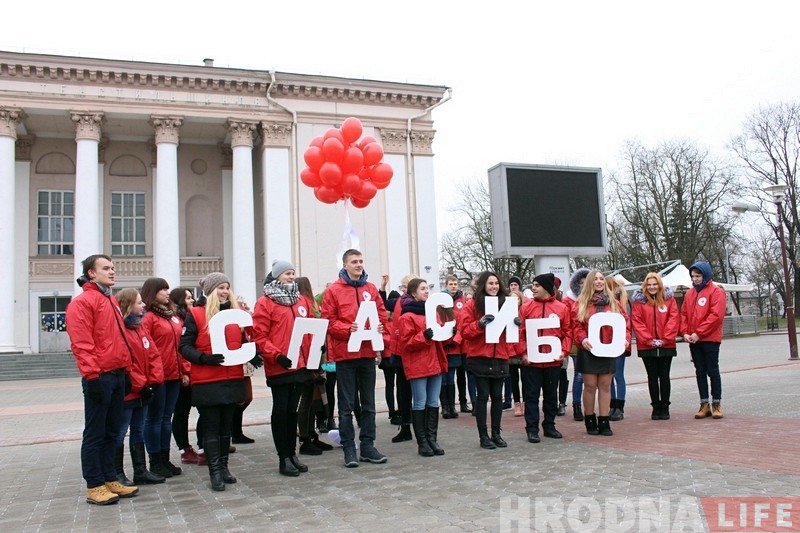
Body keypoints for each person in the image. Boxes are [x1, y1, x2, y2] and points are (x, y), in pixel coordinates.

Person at [179, 272, 263, 491]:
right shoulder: (196, 314)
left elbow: (241, 342)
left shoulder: (234, 315)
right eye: (220, 287)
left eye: (227, 287)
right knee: (211, 427)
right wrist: (203, 358)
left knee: (226, 428)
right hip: (208, 380)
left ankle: (224, 467)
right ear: (210, 291)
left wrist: (251, 354)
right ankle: (214, 470)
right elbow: (184, 346)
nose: (225, 291)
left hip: (232, 378)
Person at [66, 254, 139, 505]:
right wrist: (92, 377)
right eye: (106, 268)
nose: (112, 271)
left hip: (117, 374)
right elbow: (82, 343)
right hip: (100, 376)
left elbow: (120, 340)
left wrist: (127, 371)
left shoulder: (109, 300)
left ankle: (109, 478)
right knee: (95, 432)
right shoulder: (82, 302)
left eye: (113, 267)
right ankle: (94, 484)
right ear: (91, 273)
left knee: (112, 431)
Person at [321, 249, 389, 467]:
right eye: (354, 261)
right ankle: (349, 448)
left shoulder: (371, 289)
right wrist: (348, 329)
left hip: (367, 353)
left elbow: (382, 316)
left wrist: (380, 328)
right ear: (345, 265)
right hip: (346, 355)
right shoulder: (334, 290)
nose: (359, 264)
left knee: (369, 404)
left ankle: (368, 446)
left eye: (360, 261)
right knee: (346, 406)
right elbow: (328, 322)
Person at [252, 261, 314, 476]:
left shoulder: (301, 300)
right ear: (277, 276)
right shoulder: (265, 302)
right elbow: (259, 335)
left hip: (300, 365)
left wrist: (315, 349)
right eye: (287, 273)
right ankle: (283, 457)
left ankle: (292, 454)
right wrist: (276, 355)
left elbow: (310, 328)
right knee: (281, 410)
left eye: (293, 273)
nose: (291, 276)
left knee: (292, 411)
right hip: (280, 365)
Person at [115, 288, 165, 486]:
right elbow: (126, 361)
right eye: (139, 302)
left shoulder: (140, 327)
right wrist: (141, 384)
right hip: (129, 391)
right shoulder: (120, 329)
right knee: (120, 432)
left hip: (144, 389)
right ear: (128, 305)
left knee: (138, 430)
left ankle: (140, 471)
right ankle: (117, 473)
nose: (143, 305)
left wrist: (153, 381)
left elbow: (153, 354)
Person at [460, 271, 515, 449]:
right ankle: (483, 436)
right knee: (483, 396)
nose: (494, 286)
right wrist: (479, 324)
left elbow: (512, 331)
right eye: (490, 283)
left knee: (498, 397)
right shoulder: (472, 305)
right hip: (480, 356)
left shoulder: (506, 304)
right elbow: (464, 331)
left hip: (499, 355)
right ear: (484, 285)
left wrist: (516, 323)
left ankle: (496, 434)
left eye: (496, 283)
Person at [572, 270, 630, 437]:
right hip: (589, 349)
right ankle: (590, 419)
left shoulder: (614, 303)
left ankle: (604, 421)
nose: (599, 281)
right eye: (595, 279)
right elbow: (575, 325)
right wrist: (582, 338)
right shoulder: (581, 303)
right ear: (590, 282)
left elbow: (625, 323)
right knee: (590, 386)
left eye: (601, 279)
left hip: (608, 349)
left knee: (605, 385)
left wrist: (625, 339)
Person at [141, 277, 187, 479]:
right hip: (157, 376)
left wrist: (184, 370)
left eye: (168, 289)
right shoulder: (148, 317)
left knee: (166, 419)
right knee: (154, 419)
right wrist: (151, 374)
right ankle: (155, 460)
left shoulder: (172, 316)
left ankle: (165, 458)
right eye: (163, 289)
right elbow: (145, 349)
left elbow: (180, 346)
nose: (167, 293)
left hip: (174, 374)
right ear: (152, 292)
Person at [518, 273, 571, 443]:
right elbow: (520, 333)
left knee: (551, 396)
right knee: (531, 396)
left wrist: (564, 351)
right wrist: (523, 353)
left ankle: (549, 426)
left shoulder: (562, 308)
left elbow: (567, 332)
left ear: (547, 288)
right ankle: (532, 429)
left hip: (552, 361)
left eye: (537, 285)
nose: (533, 288)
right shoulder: (526, 308)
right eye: (533, 285)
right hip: (531, 362)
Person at [399, 278, 448, 456]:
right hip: (418, 364)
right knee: (420, 402)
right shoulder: (407, 316)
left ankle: (432, 439)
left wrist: (449, 334)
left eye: (427, 288)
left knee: (433, 401)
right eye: (422, 288)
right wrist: (424, 336)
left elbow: (440, 338)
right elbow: (406, 343)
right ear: (413, 293)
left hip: (434, 362)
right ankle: (422, 442)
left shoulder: (432, 313)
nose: (427, 291)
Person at [680, 261, 727, 420]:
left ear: (705, 275)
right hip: (694, 340)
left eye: (698, 276)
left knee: (712, 371)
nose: (695, 279)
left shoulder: (716, 291)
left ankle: (716, 403)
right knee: (700, 371)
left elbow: (716, 316)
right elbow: (684, 315)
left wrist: (699, 333)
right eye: (693, 276)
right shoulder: (689, 294)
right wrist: (685, 333)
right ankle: (704, 404)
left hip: (710, 339)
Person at [294, 276, 334, 456]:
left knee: (312, 398)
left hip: (315, 354)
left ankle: (311, 435)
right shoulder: (305, 305)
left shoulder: (311, 304)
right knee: (306, 399)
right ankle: (305, 437)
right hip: (308, 356)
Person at [631, 273, 679, 420]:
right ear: (645, 286)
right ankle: (655, 407)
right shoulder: (639, 303)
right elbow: (637, 322)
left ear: (659, 285)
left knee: (664, 376)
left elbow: (673, 319)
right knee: (652, 377)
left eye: (655, 284)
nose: (652, 287)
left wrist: (665, 339)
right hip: (647, 346)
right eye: (649, 284)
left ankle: (665, 407)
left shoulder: (669, 300)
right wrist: (648, 340)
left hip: (666, 345)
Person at [168, 288, 206, 465]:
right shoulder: (176, 319)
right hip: (184, 373)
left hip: (195, 370)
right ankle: (184, 449)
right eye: (188, 297)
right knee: (181, 413)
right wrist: (184, 371)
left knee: (204, 410)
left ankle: (203, 446)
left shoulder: (191, 317)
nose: (192, 300)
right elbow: (180, 348)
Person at [386, 274, 417, 443]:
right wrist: (382, 287)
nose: (403, 290)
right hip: (399, 351)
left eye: (405, 286)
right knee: (402, 390)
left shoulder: (418, 304)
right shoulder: (400, 301)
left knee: (415, 391)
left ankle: (419, 427)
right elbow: (382, 304)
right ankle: (405, 426)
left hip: (412, 351)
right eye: (402, 287)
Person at [443, 275, 475, 414]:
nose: (453, 286)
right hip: (450, 345)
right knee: (448, 377)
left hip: (463, 345)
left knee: (462, 376)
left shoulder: (463, 300)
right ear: (446, 285)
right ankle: (448, 406)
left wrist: (458, 338)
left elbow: (464, 322)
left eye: (455, 284)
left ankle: (463, 403)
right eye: (451, 284)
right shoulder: (442, 301)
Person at [564, 268, 590, 421]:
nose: (583, 285)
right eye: (581, 283)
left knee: (591, 377)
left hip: (592, 341)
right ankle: (576, 405)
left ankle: (589, 406)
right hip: (576, 342)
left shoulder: (595, 299)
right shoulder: (569, 300)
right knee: (579, 375)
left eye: (586, 282)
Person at [606, 276, 631, 422]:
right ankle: (613, 406)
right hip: (607, 343)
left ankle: (619, 407)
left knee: (617, 375)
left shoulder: (620, 302)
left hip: (617, 343)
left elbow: (626, 323)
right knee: (610, 376)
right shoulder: (611, 302)